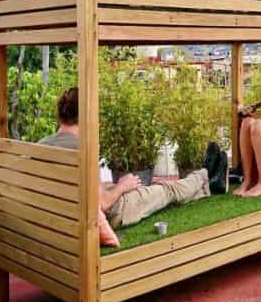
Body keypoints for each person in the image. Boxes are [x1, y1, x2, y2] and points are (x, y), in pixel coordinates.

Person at [38, 87, 226, 246]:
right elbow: (102, 204)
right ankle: (206, 174)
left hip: (63, 216)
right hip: (116, 212)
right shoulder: (82, 149)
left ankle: (210, 183)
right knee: (166, 189)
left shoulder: (41, 145)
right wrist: (122, 186)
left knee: (146, 188)